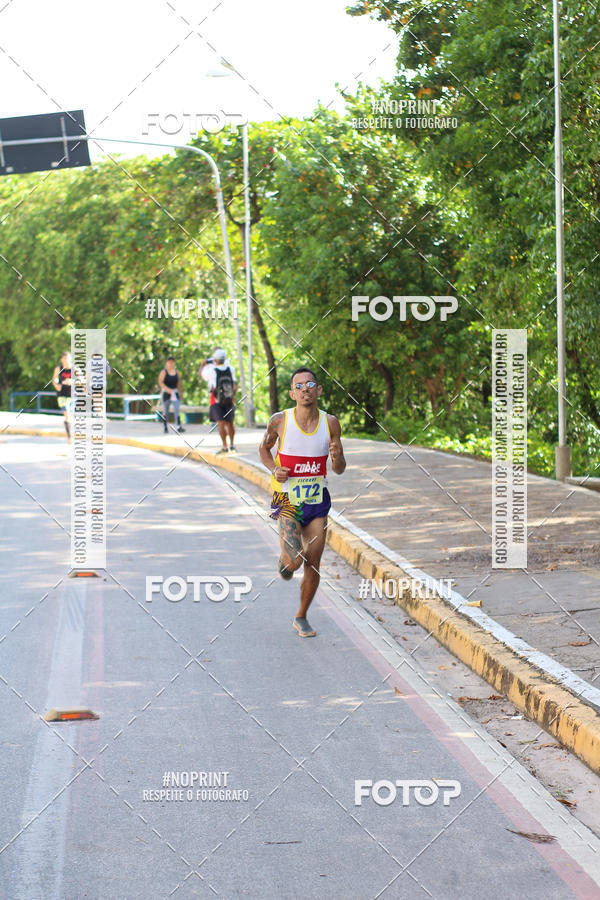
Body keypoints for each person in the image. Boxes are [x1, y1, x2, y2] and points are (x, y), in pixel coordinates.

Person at [258, 366, 346, 638]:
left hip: (317, 502)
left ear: (318, 390)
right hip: (286, 500)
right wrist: (274, 468)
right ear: (292, 393)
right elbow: (264, 448)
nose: (305, 389)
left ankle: (301, 616)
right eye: (299, 386)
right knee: (294, 563)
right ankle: (286, 560)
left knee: (314, 562)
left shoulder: (330, 423)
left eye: (310, 384)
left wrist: (338, 455)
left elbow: (340, 468)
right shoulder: (279, 421)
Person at [199, 349, 237, 454]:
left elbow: (201, 374)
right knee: (230, 423)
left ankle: (224, 446)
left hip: (216, 400)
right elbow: (235, 385)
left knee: (220, 423)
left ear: (215, 360)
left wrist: (203, 364)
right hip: (229, 399)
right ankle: (232, 445)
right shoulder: (231, 369)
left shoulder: (212, 371)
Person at [158, 357, 185, 434]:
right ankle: (165, 427)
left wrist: (180, 393)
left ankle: (179, 426)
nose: (171, 363)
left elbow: (178, 383)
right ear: (167, 363)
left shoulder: (177, 372)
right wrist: (167, 389)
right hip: (166, 393)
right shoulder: (163, 372)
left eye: (172, 362)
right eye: (169, 362)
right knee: (165, 411)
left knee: (177, 409)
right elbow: (160, 382)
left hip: (175, 392)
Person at [52, 351, 73, 440]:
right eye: (63, 359)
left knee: (70, 415)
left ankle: (70, 432)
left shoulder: (75, 369)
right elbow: (54, 379)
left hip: (72, 395)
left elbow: (82, 381)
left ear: (70, 359)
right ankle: (69, 437)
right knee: (67, 413)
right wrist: (56, 385)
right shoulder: (58, 369)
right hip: (61, 394)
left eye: (67, 359)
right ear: (61, 359)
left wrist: (73, 382)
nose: (65, 361)